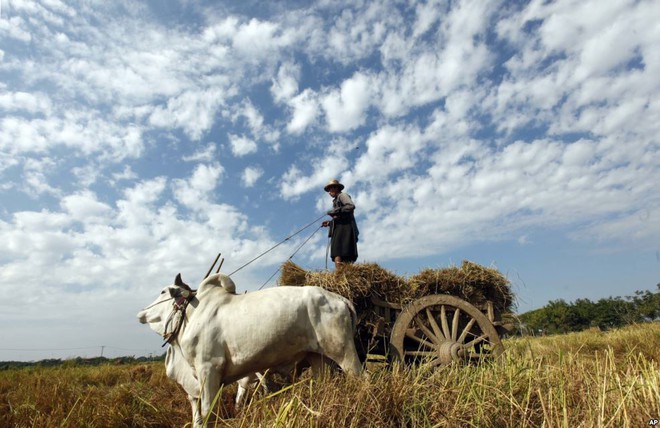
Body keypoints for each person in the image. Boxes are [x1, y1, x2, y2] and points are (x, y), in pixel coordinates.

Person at [321, 179, 359, 269]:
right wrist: (330, 223)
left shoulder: (343, 195)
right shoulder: (335, 201)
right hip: (340, 227)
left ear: (336, 188)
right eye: (328, 190)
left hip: (345, 228)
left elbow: (350, 206)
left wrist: (335, 211)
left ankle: (340, 274)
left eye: (331, 189)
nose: (329, 192)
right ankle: (340, 274)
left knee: (339, 250)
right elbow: (339, 216)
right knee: (337, 251)